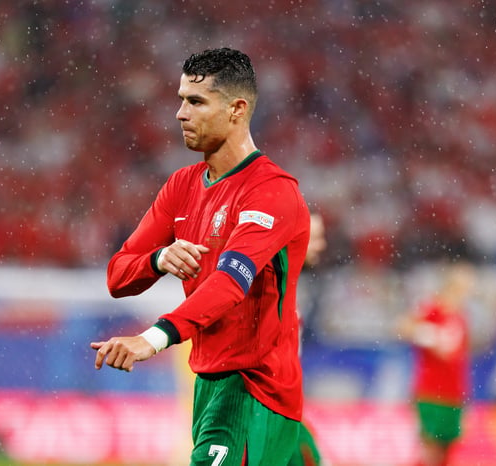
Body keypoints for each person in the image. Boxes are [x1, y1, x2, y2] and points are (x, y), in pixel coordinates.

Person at [91, 47, 310, 465]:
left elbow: (229, 284)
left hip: (253, 389)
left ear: (237, 109)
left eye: (195, 101)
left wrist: (151, 339)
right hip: (210, 385)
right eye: (180, 99)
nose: (180, 113)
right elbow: (118, 276)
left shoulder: (271, 190)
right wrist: (158, 259)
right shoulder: (182, 186)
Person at [396, 261, 476, 466]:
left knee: (447, 451)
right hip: (432, 392)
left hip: (454, 394)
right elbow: (403, 326)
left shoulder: (460, 315)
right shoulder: (432, 307)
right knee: (430, 451)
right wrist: (430, 336)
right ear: (452, 285)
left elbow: (458, 356)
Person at [288, 212, 327, 466]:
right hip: (270, 412)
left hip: (286, 410)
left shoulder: (291, 286)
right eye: (316, 238)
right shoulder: (269, 290)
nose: (321, 245)